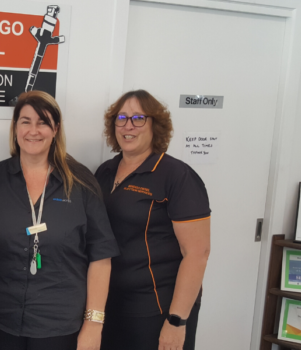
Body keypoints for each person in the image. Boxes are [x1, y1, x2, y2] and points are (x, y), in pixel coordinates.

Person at [0, 91, 120, 350]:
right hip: (0, 321)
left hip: (59, 325)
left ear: (56, 128)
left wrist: (94, 325)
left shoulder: (81, 182)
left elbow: (101, 257)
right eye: (25, 121)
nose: (34, 130)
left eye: (43, 122)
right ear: (15, 127)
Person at [96, 90, 211, 350]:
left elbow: (198, 253)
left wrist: (177, 321)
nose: (128, 126)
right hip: (111, 304)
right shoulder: (105, 171)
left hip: (157, 309)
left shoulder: (176, 176)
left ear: (155, 125)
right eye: (121, 118)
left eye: (138, 118)